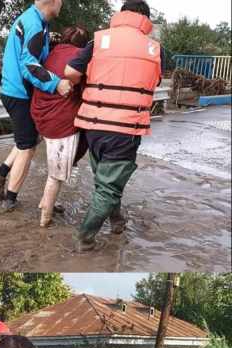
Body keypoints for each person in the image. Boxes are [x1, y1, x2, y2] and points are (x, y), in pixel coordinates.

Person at [63, 0, 164, 251]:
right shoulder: (155, 49)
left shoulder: (97, 41)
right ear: (145, 19)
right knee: (108, 186)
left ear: (121, 15)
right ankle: (84, 238)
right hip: (126, 128)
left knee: (104, 180)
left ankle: (116, 221)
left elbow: (69, 72)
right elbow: (156, 80)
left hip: (94, 125)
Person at [0, 0, 72, 211]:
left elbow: (38, 58)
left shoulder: (35, 21)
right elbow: (29, 64)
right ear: (54, 2)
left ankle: (1, 172)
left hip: (15, 90)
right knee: (27, 147)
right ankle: (10, 199)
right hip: (19, 93)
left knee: (31, 136)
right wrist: (56, 83)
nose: (62, 5)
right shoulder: (34, 25)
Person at [30, 26, 91, 227]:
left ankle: (46, 203)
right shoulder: (80, 59)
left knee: (55, 165)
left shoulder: (52, 53)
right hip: (61, 122)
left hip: (41, 116)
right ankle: (45, 217)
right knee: (56, 174)